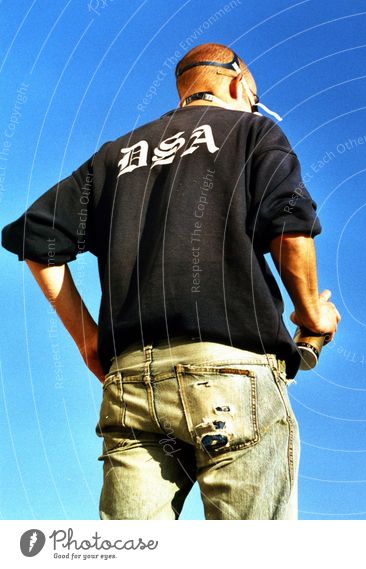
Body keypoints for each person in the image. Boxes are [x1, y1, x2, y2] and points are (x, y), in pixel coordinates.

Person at [1, 43, 340, 520]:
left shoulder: (115, 155)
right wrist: (310, 313)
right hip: (230, 376)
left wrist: (88, 339)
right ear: (239, 85)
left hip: (131, 382)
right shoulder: (252, 130)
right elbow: (290, 225)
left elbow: (36, 237)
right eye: (254, 99)